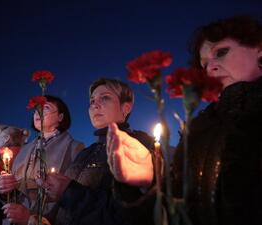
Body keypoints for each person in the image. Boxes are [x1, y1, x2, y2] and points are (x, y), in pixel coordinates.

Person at [106, 15, 262, 225]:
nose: (210, 68)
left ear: (259, 50)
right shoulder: (198, 130)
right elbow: (176, 214)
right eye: (203, 64)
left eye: (221, 52)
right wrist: (150, 183)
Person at [39, 78, 154, 225]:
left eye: (105, 98)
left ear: (126, 108)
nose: (95, 105)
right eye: (92, 101)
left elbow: (128, 215)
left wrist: (68, 192)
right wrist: (44, 219)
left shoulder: (140, 148)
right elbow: (62, 205)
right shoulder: (85, 153)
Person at [0, 95, 85, 225]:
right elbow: (16, 192)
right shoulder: (24, 150)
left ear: (60, 117)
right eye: (36, 110)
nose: (39, 113)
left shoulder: (74, 147)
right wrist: (6, 189)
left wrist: (32, 219)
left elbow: (77, 196)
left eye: (46, 108)